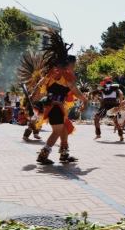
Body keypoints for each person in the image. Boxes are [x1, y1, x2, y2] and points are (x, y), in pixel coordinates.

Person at [32, 28, 88, 165]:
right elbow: (75, 90)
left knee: (63, 129)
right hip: (55, 107)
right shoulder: (66, 76)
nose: (74, 67)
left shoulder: (50, 74)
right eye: (73, 65)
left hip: (53, 106)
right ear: (68, 64)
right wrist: (85, 99)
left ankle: (64, 154)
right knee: (57, 131)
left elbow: (39, 85)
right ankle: (43, 155)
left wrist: (34, 96)